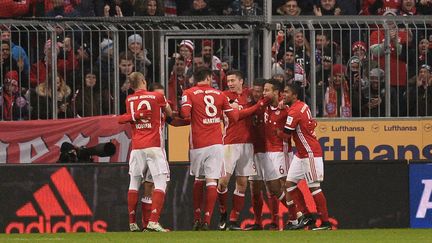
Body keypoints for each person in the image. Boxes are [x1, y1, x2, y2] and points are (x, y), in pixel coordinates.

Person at [180, 67, 239, 230]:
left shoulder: (188, 93)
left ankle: (197, 218)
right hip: (216, 144)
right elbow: (233, 118)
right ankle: (207, 220)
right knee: (212, 180)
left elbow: (185, 114)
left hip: (198, 144)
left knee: (199, 179)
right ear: (208, 78)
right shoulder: (220, 94)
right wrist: (232, 107)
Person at [117, 71, 172, 232]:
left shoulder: (129, 99)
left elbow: (124, 118)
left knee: (134, 183)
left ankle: (132, 222)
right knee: (161, 182)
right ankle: (153, 221)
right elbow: (169, 113)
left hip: (136, 147)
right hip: (154, 145)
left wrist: (137, 115)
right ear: (142, 80)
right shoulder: (157, 97)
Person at [283, 83, 331, 230]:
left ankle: (325, 222)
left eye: (286, 92)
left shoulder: (294, 111)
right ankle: (307, 216)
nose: (283, 95)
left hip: (309, 152)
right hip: (302, 153)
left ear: (294, 95)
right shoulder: (302, 105)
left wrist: (273, 132)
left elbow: (286, 135)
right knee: (289, 184)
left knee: (314, 187)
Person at [216, 70, 256, 230]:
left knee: (242, 183)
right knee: (223, 181)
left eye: (233, 80)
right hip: (229, 144)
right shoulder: (223, 96)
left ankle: (233, 221)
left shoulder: (250, 94)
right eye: (228, 80)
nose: (230, 83)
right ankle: (223, 212)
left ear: (241, 81)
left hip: (247, 144)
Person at [246, 79, 282, 230]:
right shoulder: (250, 107)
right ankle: (257, 222)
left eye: (260, 91)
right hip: (252, 151)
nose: (257, 94)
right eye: (254, 91)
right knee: (254, 188)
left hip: (267, 152)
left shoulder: (271, 106)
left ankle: (275, 221)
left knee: (271, 188)